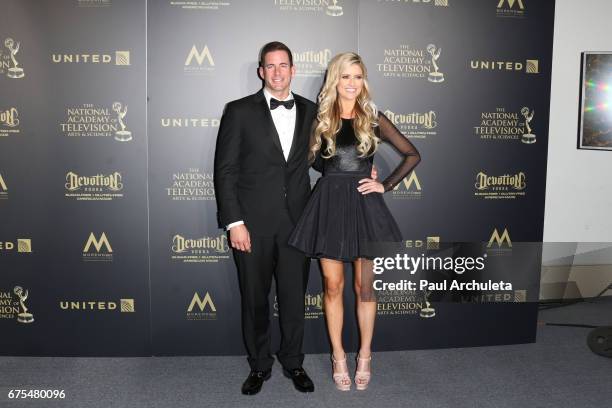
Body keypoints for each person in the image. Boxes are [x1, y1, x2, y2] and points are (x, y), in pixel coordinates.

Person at [288, 52, 421, 391]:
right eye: (345, 76)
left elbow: (412, 154)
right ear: (335, 79)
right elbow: (313, 164)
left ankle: (364, 355)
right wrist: (336, 173)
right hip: (329, 205)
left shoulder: (373, 116)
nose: (351, 83)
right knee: (332, 286)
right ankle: (337, 356)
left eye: (358, 77)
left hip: (364, 206)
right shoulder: (319, 119)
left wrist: (384, 183)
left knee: (365, 287)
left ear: (364, 81)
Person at [213, 41, 317, 395]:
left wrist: (361, 168)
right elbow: (224, 171)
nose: (277, 72)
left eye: (283, 65)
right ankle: (259, 366)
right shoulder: (239, 111)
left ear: (292, 69)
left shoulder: (311, 110)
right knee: (255, 300)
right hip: (252, 226)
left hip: (297, 225)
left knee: (293, 299)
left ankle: (294, 362)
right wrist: (234, 222)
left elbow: (321, 161)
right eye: (270, 66)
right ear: (261, 71)